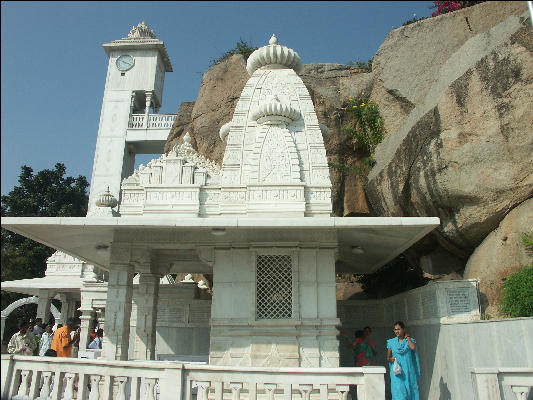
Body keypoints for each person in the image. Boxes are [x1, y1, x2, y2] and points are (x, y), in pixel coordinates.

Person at [387, 321, 420, 400]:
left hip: (408, 370)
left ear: (403, 329)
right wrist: (391, 359)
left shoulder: (410, 340)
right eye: (395, 330)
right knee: (399, 392)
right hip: (397, 372)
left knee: (410, 391)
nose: (397, 331)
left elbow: (413, 348)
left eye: (399, 329)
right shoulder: (391, 342)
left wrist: (408, 338)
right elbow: (388, 357)